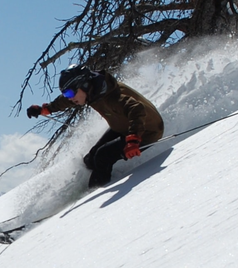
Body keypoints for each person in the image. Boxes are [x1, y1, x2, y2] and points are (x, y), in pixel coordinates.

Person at [27, 65, 165, 187]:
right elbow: (66, 101)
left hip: (147, 131)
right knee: (90, 159)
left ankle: (95, 195)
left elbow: (136, 108)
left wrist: (134, 138)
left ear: (84, 85)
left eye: (69, 93)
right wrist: (45, 109)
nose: (69, 97)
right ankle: (103, 178)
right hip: (122, 127)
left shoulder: (112, 96)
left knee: (102, 156)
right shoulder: (92, 92)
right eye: (65, 93)